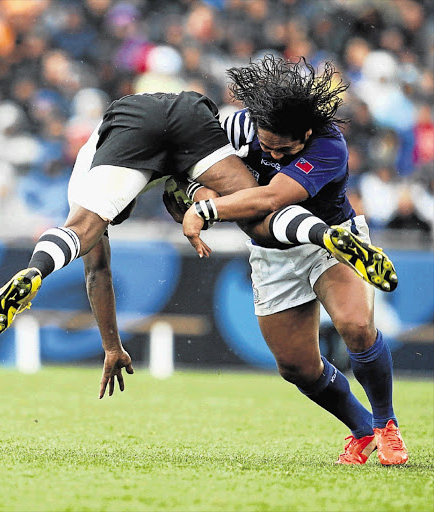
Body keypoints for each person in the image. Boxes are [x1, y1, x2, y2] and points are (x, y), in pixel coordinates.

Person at [165, 55, 407, 466]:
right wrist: (200, 193)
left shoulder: (330, 145)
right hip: (273, 254)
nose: (273, 154)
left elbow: (273, 197)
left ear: (307, 132)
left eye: (284, 149)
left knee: (356, 326)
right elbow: (201, 172)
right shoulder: (238, 126)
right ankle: (363, 429)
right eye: (267, 145)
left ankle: (387, 426)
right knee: (296, 367)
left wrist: (206, 211)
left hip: (329, 241)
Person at [0, 90, 260, 397]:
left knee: (80, 232)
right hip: (189, 110)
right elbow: (99, 273)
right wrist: (202, 210)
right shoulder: (159, 177)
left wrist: (111, 346)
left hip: (133, 118)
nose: (115, 218)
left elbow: (98, 272)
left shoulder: (86, 184)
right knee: (260, 202)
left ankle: (36, 270)